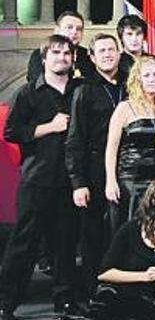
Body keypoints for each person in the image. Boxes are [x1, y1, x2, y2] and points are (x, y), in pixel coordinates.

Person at [0, 35, 83, 320]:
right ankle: (6, 303)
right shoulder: (27, 93)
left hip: (69, 182)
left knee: (65, 245)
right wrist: (49, 127)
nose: (62, 57)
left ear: (73, 59)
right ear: (44, 58)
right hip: (37, 179)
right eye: (56, 52)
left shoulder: (80, 91)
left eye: (67, 53)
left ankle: (65, 302)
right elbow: (11, 132)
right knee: (23, 244)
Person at [66, 33, 125, 295]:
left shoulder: (130, 85)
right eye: (101, 51)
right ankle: (94, 291)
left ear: (119, 53)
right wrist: (78, 183)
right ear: (92, 57)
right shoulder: (84, 90)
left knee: (122, 231)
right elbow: (75, 139)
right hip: (94, 167)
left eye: (111, 49)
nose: (108, 54)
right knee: (93, 234)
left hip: (128, 166)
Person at [89, 177, 155, 320]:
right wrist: (144, 276)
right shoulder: (131, 229)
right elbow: (105, 273)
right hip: (133, 300)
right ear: (154, 200)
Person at [105, 55, 155, 233]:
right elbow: (112, 147)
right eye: (146, 75)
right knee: (132, 227)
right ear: (138, 79)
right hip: (131, 179)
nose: (151, 80)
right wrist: (111, 181)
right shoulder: (125, 108)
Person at [26, 10, 95, 81]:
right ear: (57, 30)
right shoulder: (40, 54)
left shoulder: (87, 56)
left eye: (79, 29)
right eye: (69, 27)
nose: (74, 32)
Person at [117, 14, 151, 82]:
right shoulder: (116, 64)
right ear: (121, 37)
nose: (134, 39)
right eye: (129, 34)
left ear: (144, 37)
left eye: (138, 34)